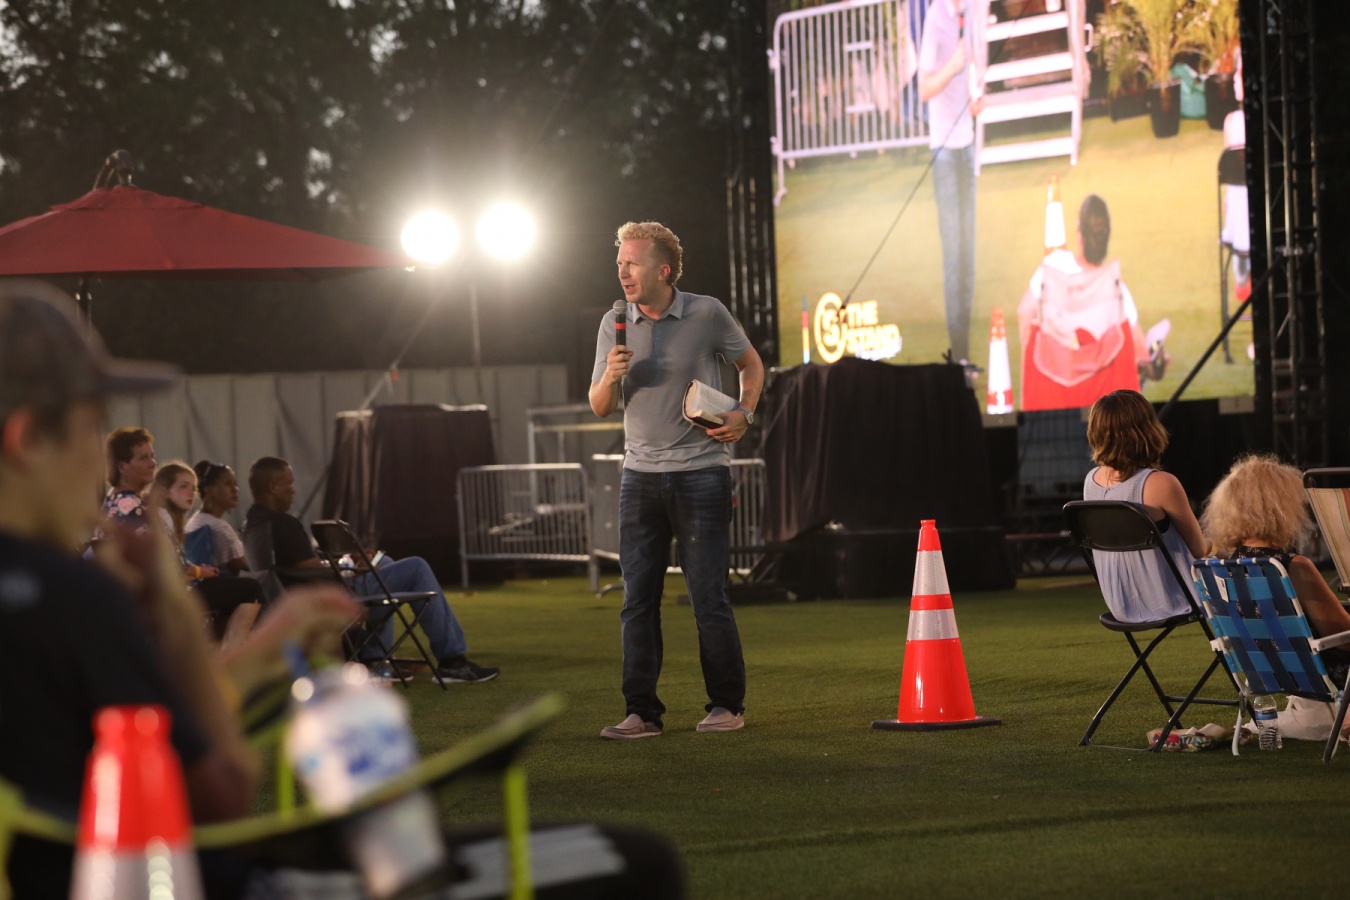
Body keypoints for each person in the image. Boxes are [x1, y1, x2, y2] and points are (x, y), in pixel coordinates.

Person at [0, 278, 360, 896]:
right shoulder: (69, 600)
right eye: (90, 431)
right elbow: (219, 793)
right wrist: (174, 613)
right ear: (30, 439)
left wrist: (258, 653)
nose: (96, 464)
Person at [590, 221, 764, 739]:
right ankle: (642, 712)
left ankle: (726, 705)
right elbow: (599, 406)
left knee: (708, 596)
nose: (622, 272)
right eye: (619, 263)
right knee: (637, 601)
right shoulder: (613, 323)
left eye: (632, 263)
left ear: (663, 270)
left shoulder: (706, 312)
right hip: (639, 478)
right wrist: (611, 376)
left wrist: (744, 413)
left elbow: (751, 365)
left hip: (701, 474)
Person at [241, 456, 499, 684]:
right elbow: (313, 574)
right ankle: (452, 661)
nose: (294, 490)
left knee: (385, 564)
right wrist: (352, 569)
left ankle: (375, 658)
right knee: (416, 567)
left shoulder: (252, 525)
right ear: (273, 487)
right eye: (289, 483)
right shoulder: (284, 524)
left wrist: (344, 561)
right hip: (328, 598)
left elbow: (300, 569)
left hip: (294, 599)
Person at [1200, 454, 1350, 681]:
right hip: (1324, 675)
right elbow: (1344, 639)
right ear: (1282, 510)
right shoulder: (1292, 567)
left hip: (1272, 675)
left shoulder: (1225, 568)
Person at [1017, 194, 1168, 402]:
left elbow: (1024, 313)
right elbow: (1141, 353)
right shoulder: (1115, 289)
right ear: (1107, 238)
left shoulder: (1053, 268)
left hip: (1053, 393)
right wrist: (1156, 366)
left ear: (1079, 235)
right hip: (1100, 402)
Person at [1082, 390, 1206, 623]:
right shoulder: (1161, 484)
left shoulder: (1091, 481)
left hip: (1120, 604)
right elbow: (1199, 549)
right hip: (1174, 599)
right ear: (1147, 429)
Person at [918, 0, 982, 381]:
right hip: (943, 150)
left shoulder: (970, 10)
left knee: (968, 254)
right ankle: (958, 355)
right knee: (954, 253)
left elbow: (970, 65)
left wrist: (974, 92)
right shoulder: (935, 18)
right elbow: (925, 87)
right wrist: (952, 67)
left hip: (967, 144)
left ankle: (964, 352)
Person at [148, 461, 265, 641]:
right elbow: (172, 567)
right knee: (253, 588)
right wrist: (198, 572)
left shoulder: (185, 520)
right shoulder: (165, 517)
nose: (191, 493)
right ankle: (233, 649)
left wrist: (199, 571)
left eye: (193, 488)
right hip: (172, 591)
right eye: (183, 487)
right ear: (164, 491)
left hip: (179, 585)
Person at [187, 459, 249, 574]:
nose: (235, 489)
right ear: (208, 490)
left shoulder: (194, 520)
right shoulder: (218, 527)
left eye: (235, 484)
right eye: (228, 484)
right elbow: (242, 567)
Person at [101, 424, 157, 533]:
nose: (153, 464)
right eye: (143, 458)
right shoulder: (132, 510)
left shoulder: (114, 501)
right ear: (122, 467)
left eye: (152, 456)